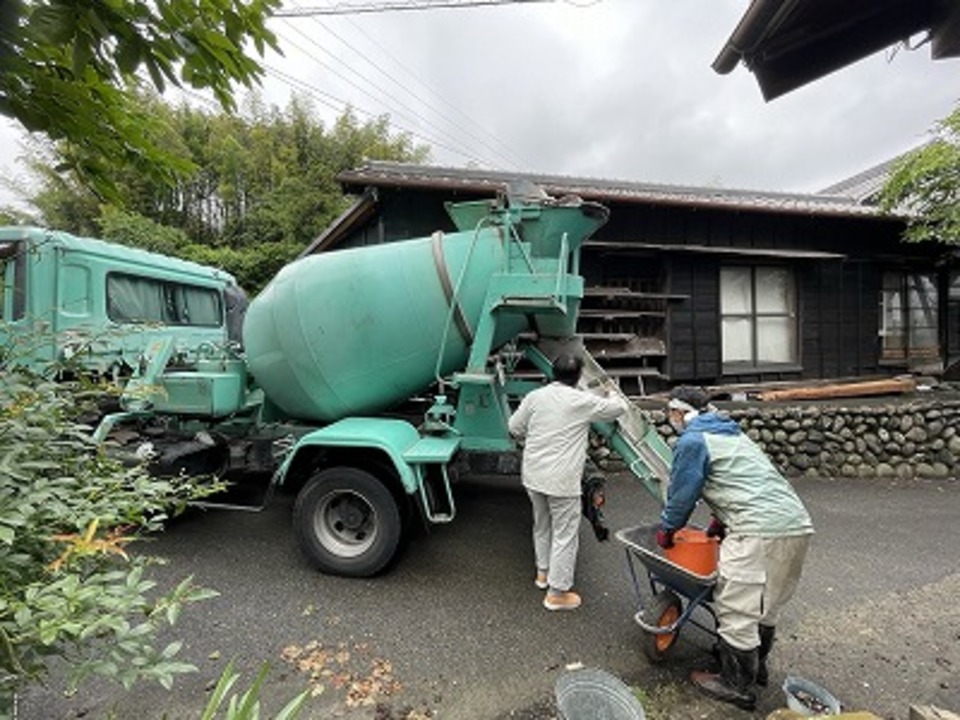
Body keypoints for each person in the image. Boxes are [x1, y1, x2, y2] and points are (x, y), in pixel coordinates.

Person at [657, 386, 814, 710]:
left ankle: (735, 684)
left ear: (680, 413)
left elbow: (683, 494)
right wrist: (720, 520)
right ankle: (756, 668)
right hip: (795, 523)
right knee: (766, 603)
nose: (669, 419)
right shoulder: (732, 434)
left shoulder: (692, 441)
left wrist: (668, 529)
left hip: (757, 530)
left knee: (735, 605)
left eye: (670, 413)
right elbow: (743, 483)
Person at [508, 353, 627, 611]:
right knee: (565, 534)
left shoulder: (535, 397)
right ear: (578, 376)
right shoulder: (581, 400)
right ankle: (557, 593)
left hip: (533, 474)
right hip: (561, 480)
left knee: (542, 524)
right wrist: (611, 392)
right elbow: (619, 409)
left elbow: (514, 427)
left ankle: (543, 574)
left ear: (553, 372)